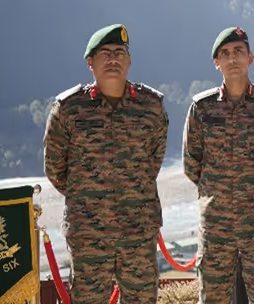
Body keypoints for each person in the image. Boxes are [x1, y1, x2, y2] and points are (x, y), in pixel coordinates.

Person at [43, 24, 168, 304]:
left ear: (130, 60)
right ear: (91, 63)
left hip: (138, 228)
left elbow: (153, 160)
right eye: (105, 53)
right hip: (89, 232)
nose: (113, 59)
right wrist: (88, 197)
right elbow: (54, 168)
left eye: (119, 53)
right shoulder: (69, 109)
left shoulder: (151, 107)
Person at [183, 26, 254, 304]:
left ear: (250, 58)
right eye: (225, 54)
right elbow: (192, 163)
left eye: (239, 51)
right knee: (214, 298)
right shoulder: (202, 108)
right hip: (217, 225)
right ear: (217, 63)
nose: (233, 58)